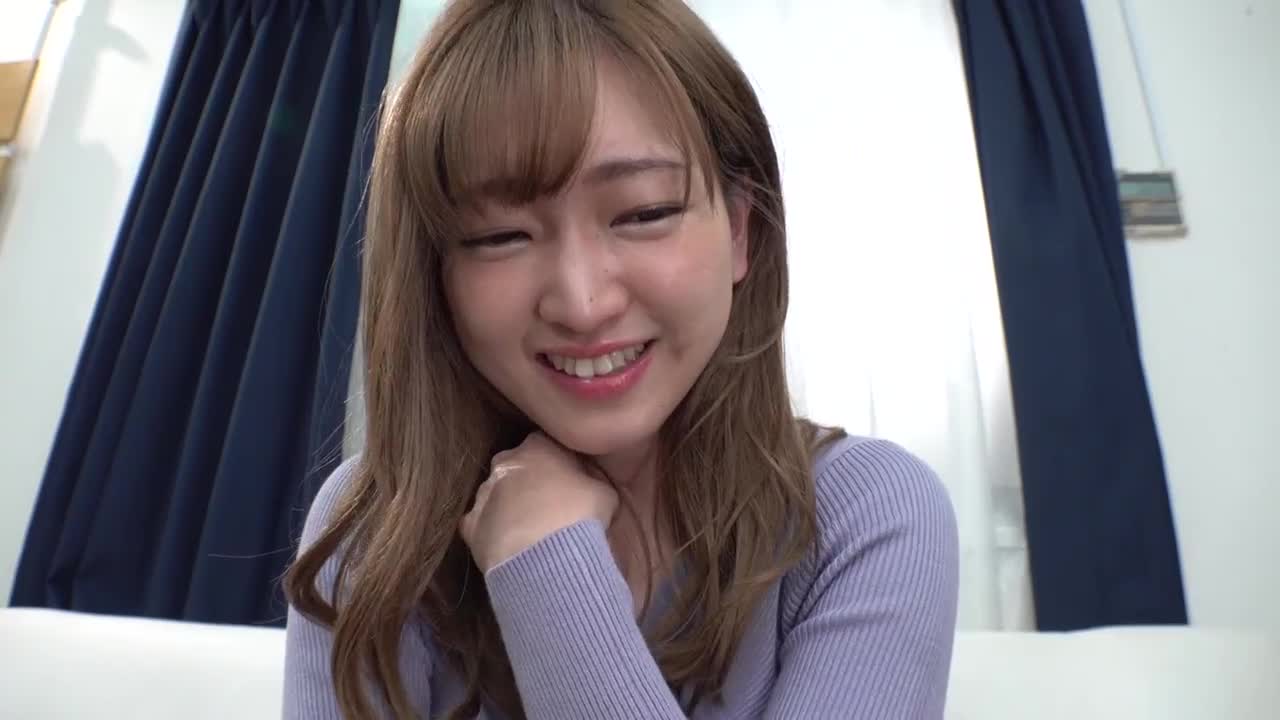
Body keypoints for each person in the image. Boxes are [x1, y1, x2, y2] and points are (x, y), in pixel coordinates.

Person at [283, 1, 959, 718]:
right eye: (500, 236)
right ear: (436, 273)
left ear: (740, 230)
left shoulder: (868, 517)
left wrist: (546, 564)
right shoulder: (378, 530)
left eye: (644, 214)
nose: (582, 303)